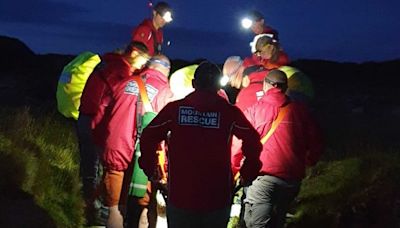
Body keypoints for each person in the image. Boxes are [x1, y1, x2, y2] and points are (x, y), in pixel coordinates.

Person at [138, 61, 263, 228]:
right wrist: (248, 171)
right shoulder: (229, 112)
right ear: (218, 86)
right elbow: (253, 140)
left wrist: (151, 168)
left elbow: (148, 136)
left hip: (181, 195)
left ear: (193, 83)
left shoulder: (174, 109)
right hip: (217, 196)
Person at [234, 70, 323, 228]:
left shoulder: (254, 110)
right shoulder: (301, 111)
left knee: (257, 223)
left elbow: (238, 143)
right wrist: (309, 161)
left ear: (266, 85)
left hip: (262, 178)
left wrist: (234, 170)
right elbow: (315, 142)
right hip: (292, 179)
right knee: (278, 219)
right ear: (285, 88)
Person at [78, 41, 149, 226]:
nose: (143, 65)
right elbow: (114, 103)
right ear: (133, 53)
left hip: (85, 116)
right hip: (96, 122)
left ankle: (86, 208)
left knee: (89, 167)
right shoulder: (121, 72)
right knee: (100, 169)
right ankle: (96, 213)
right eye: (143, 60)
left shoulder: (108, 63)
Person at [123, 54, 173, 228]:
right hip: (145, 152)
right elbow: (167, 129)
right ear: (166, 70)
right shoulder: (164, 89)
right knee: (143, 201)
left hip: (120, 148)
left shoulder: (128, 81)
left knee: (122, 200)